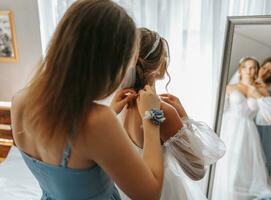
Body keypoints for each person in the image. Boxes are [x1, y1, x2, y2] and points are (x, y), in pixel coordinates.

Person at [11, 1, 165, 200]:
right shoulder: (98, 122)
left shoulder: (20, 101)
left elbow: (73, 149)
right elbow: (150, 194)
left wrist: (109, 113)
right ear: (105, 65)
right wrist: (151, 117)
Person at [117, 28, 226, 200]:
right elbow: (196, 170)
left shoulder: (120, 101)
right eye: (165, 56)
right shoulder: (160, 111)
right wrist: (183, 117)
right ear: (157, 64)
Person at [212, 57, 271, 200]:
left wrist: (258, 95)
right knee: (227, 164)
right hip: (230, 128)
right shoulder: (230, 88)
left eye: (253, 68)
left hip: (248, 132)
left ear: (257, 70)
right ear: (240, 70)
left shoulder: (260, 90)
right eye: (246, 67)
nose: (249, 71)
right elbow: (218, 111)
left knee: (242, 167)